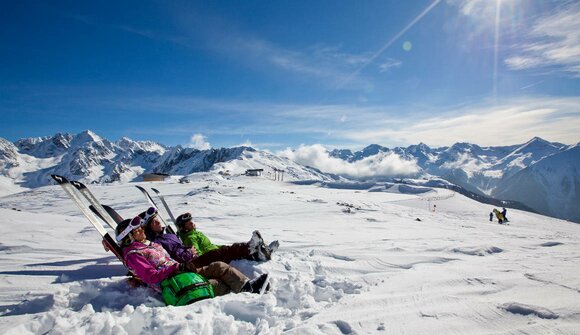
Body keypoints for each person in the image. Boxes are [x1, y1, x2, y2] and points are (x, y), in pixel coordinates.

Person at [115, 215, 270, 301]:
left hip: (181, 273)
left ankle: (249, 287)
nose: (141, 230)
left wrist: (179, 266)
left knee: (219, 266)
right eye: (137, 230)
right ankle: (246, 291)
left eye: (141, 227)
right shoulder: (134, 254)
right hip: (174, 282)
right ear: (128, 236)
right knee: (219, 283)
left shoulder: (148, 245)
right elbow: (151, 276)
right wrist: (177, 267)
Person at [141, 208, 275, 270]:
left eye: (157, 221)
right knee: (226, 252)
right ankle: (252, 249)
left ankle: (258, 251)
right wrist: (189, 252)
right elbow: (173, 257)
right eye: (154, 223)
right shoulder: (157, 243)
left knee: (228, 249)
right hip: (191, 263)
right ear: (149, 229)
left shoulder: (167, 236)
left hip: (194, 257)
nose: (159, 223)